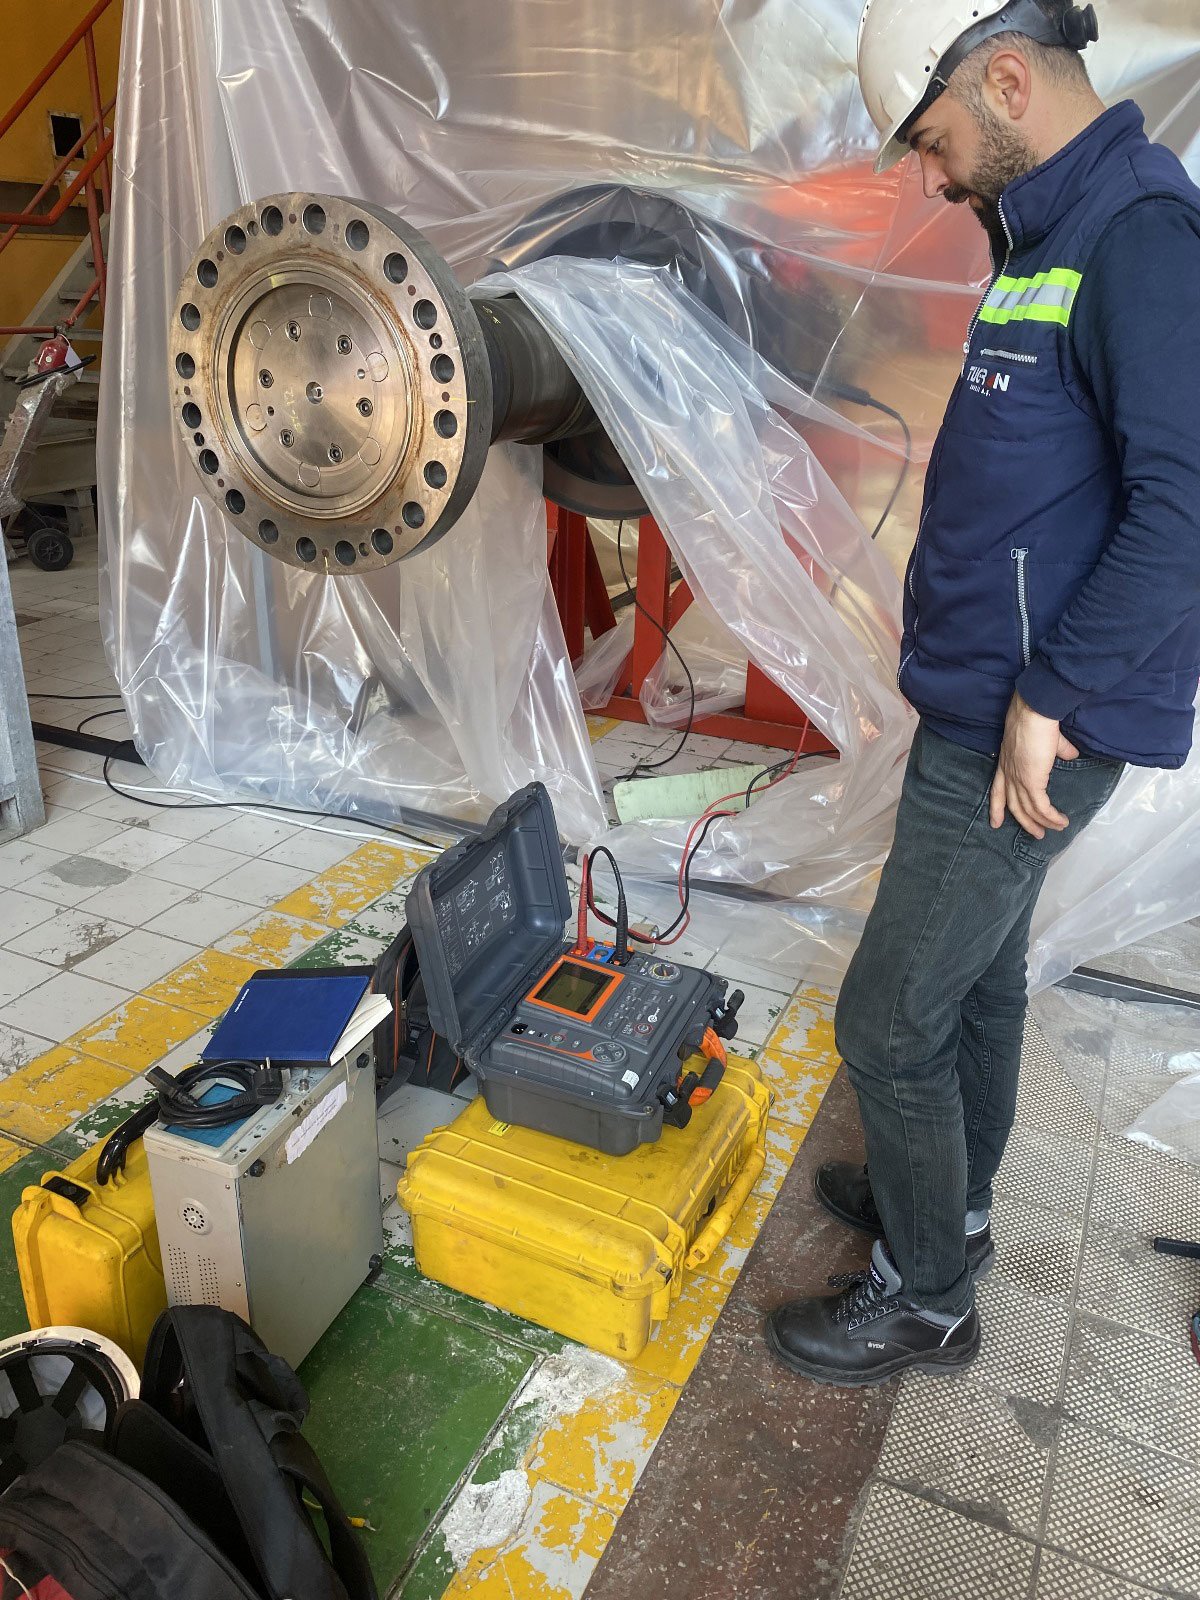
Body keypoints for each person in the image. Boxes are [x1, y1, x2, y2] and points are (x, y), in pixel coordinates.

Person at [767, 0, 1200, 1386]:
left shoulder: (1136, 236)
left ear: (1008, 77)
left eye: (934, 139)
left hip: (1032, 722)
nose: (928, 175)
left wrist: (1046, 696)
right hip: (988, 699)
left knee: (888, 1018)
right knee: (977, 980)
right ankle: (941, 1202)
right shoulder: (1045, 234)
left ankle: (930, 1297)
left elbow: (1184, 509)